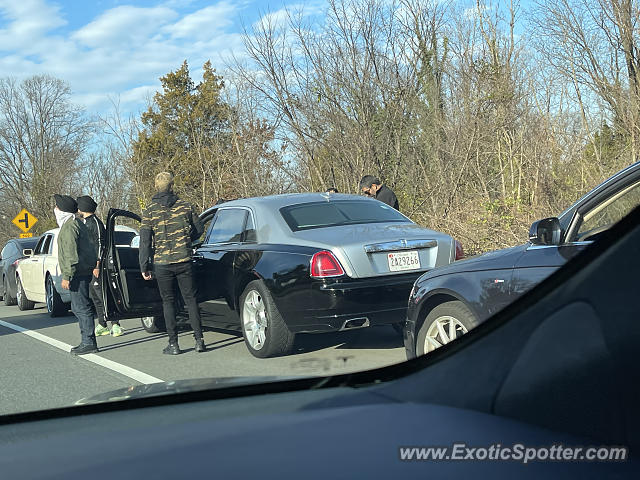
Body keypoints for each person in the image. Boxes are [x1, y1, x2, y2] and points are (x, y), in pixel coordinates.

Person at [139, 172, 206, 355]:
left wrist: (144, 265)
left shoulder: (150, 210)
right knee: (191, 300)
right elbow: (200, 229)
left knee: (168, 302)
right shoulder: (186, 206)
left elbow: (144, 241)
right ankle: (199, 341)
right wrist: (186, 241)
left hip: (162, 264)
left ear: (156, 186)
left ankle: (173, 344)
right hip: (184, 260)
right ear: (172, 186)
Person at [54, 194, 99, 355]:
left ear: (63, 211)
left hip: (77, 273)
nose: (55, 210)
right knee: (81, 306)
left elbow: (71, 254)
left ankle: (88, 341)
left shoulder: (69, 227)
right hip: (83, 270)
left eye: (57, 207)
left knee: (81, 307)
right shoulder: (77, 223)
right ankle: (87, 340)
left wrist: (67, 275)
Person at [77, 195, 123, 337]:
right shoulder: (85, 223)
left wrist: (97, 264)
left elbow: (99, 245)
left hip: (98, 266)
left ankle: (115, 324)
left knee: (104, 294)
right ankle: (102, 324)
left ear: (84, 207)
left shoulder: (95, 223)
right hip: (88, 266)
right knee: (95, 296)